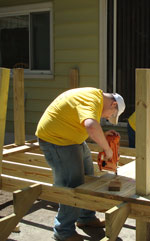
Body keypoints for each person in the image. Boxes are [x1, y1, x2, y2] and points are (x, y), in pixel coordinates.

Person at [36, 87, 125, 241]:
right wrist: (106, 148)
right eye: (110, 115)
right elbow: (91, 126)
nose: (107, 117)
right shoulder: (92, 100)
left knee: (88, 176)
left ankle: (86, 217)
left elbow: (84, 123)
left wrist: (102, 135)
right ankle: (63, 231)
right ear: (113, 105)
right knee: (73, 185)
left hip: (71, 139)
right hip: (57, 141)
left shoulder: (95, 98)